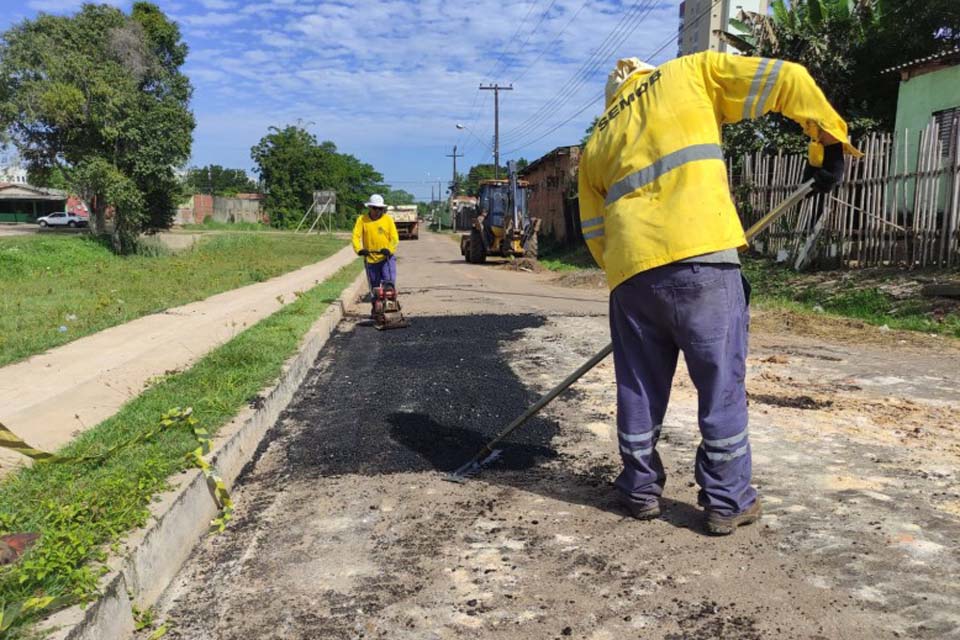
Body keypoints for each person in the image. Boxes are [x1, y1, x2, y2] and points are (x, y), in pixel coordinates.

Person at [578, 52, 861, 535]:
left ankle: (640, 489)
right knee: (719, 384)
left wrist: (632, 277)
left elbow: (593, 229)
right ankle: (726, 500)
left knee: (639, 389)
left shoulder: (598, 138)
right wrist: (828, 144)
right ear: (648, 72)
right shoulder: (691, 73)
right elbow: (787, 79)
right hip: (704, 256)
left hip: (632, 274)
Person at [352, 194, 400, 305]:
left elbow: (394, 238)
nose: (378, 211)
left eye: (380, 208)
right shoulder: (362, 220)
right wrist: (359, 249)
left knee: (389, 284)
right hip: (370, 259)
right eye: (375, 208)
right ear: (369, 207)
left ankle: (391, 305)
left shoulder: (388, 220)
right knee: (375, 288)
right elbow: (355, 236)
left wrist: (389, 249)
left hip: (386, 258)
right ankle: (377, 308)